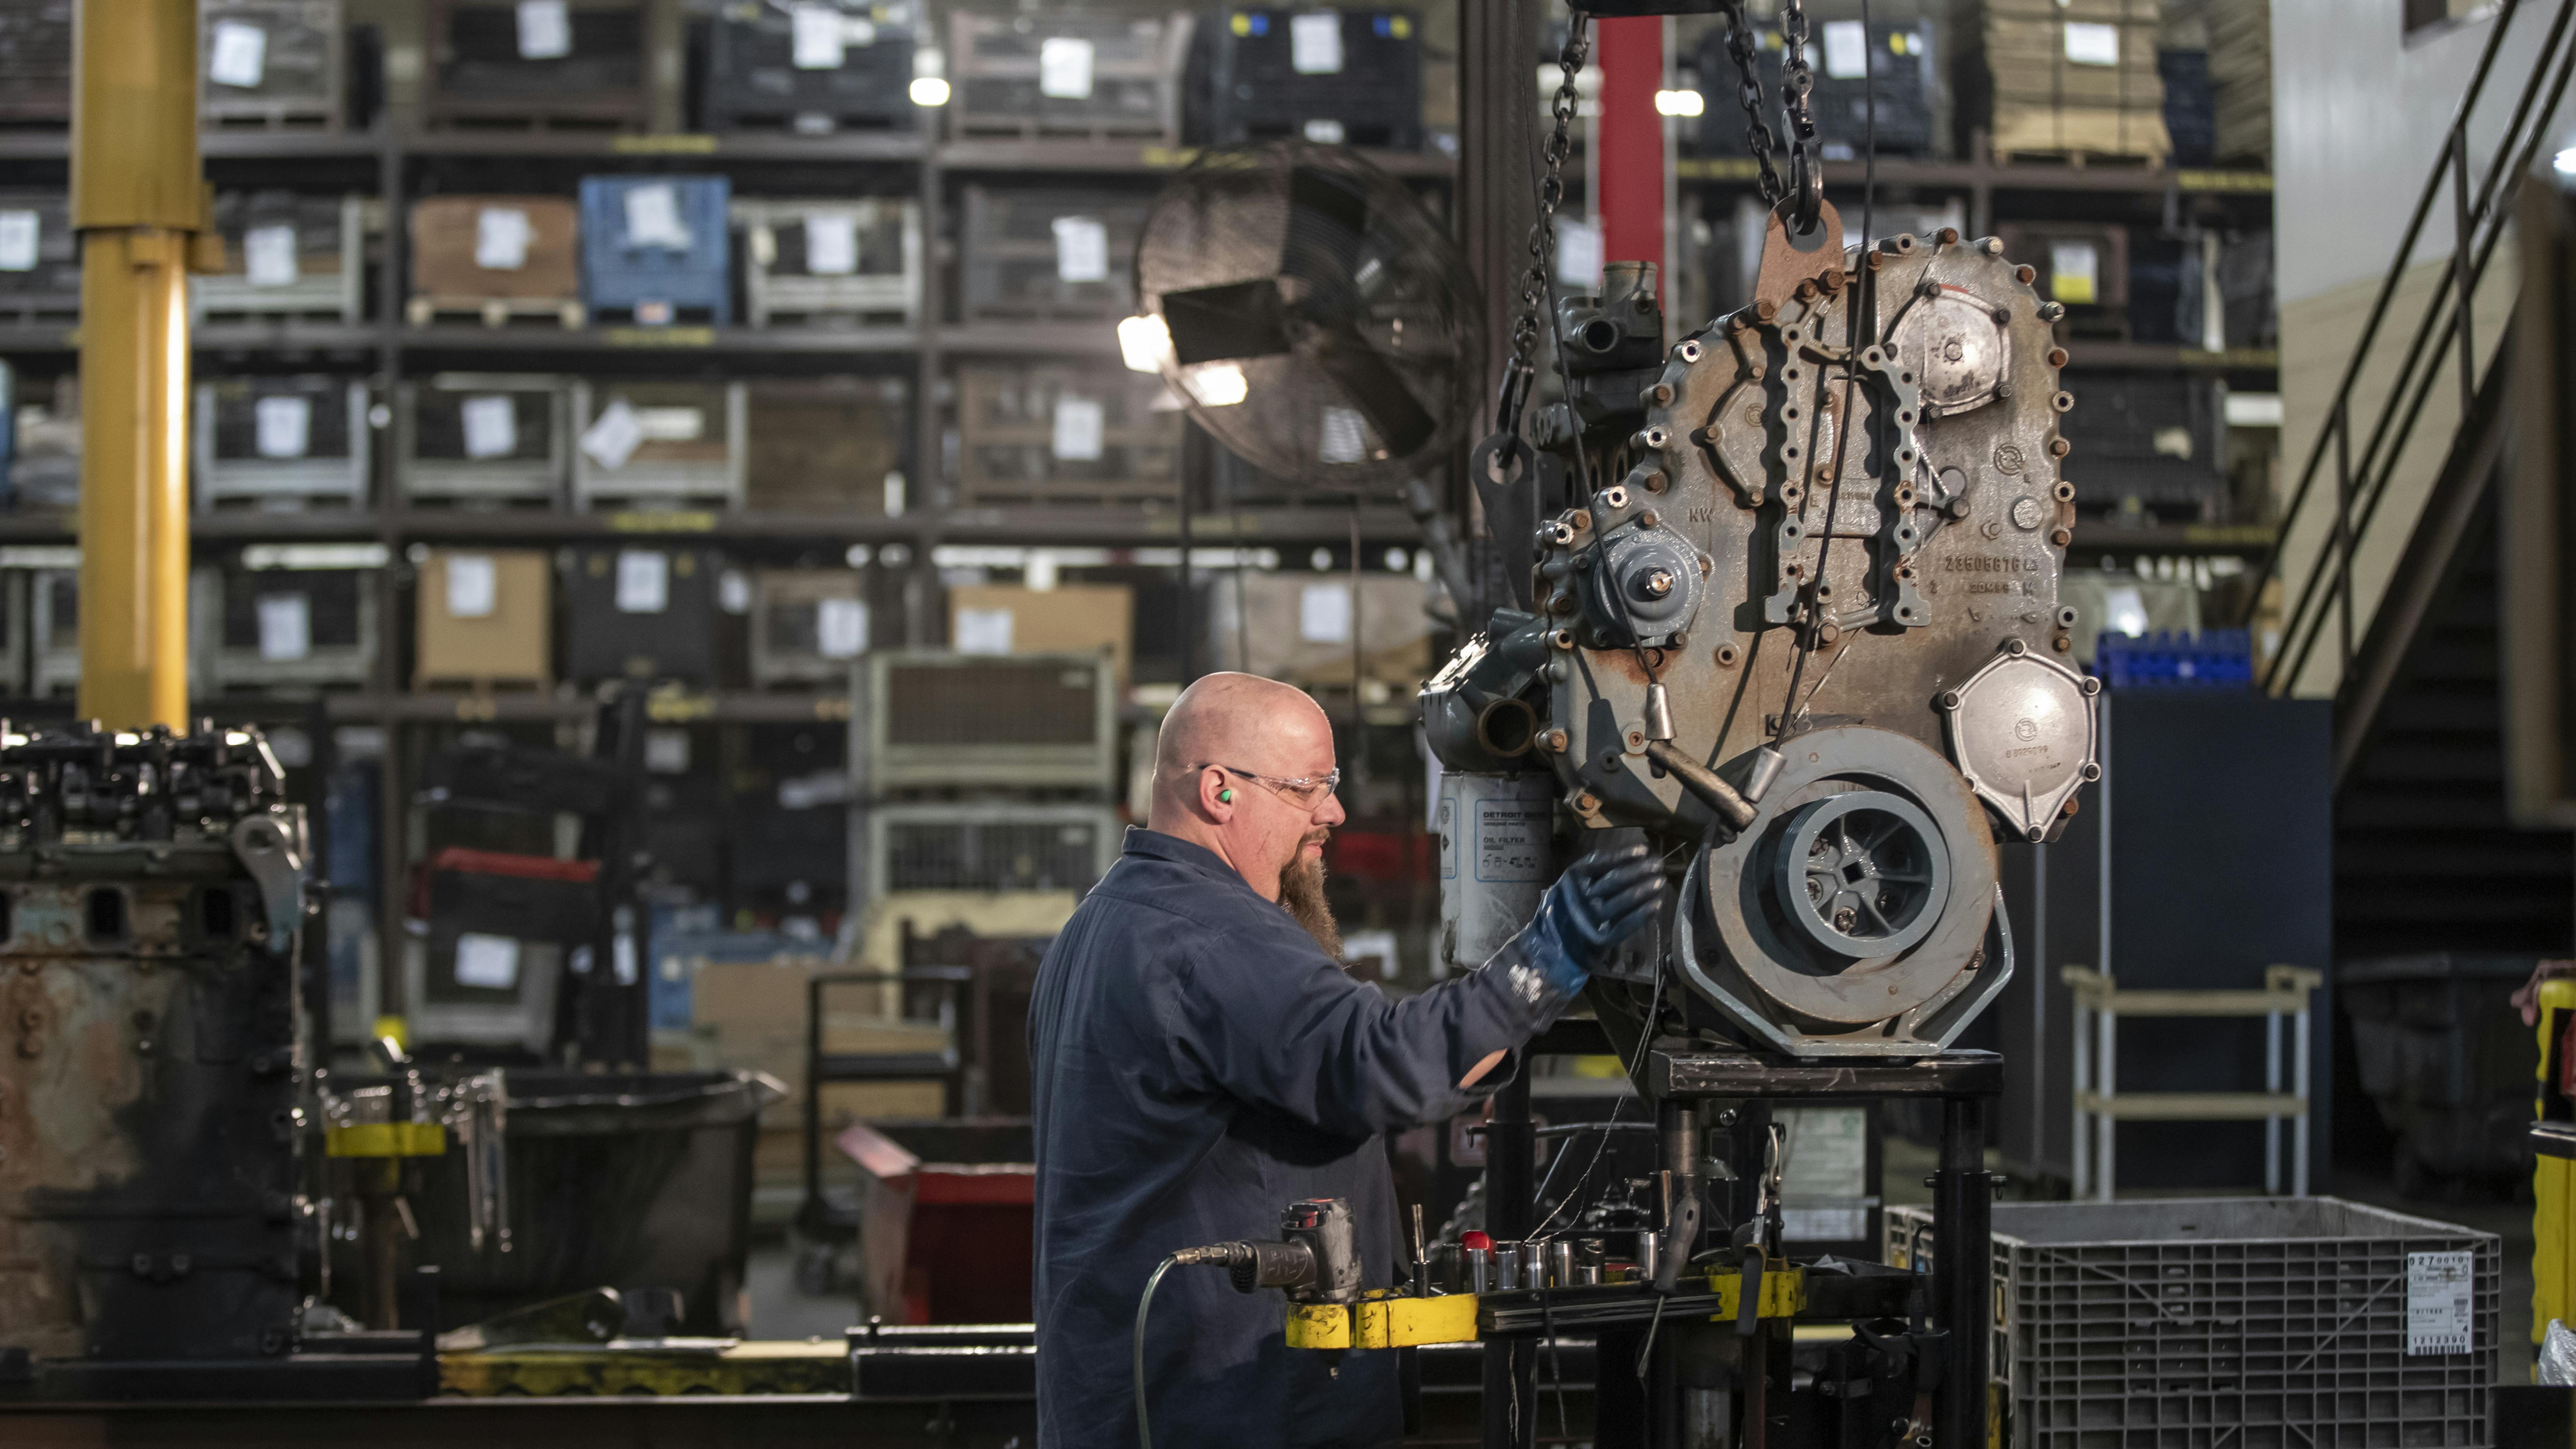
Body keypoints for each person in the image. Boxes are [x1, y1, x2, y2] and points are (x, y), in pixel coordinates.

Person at [1028, 671, 1665, 1448]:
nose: (1332, 812)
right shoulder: (1213, 939)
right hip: (1234, 1405)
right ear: (1220, 791)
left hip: (1127, 1398)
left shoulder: (1102, 923)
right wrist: (1544, 959)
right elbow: (1381, 1063)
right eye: (1307, 788)